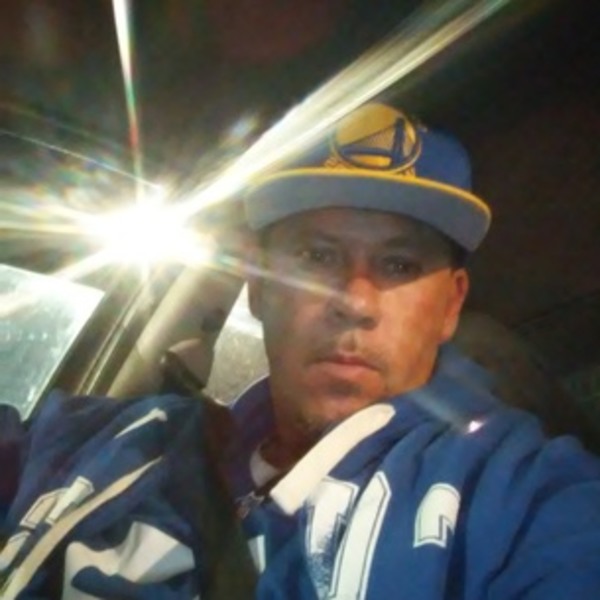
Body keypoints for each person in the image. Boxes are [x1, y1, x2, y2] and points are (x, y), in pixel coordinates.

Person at [1, 102, 600, 599]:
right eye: (317, 256)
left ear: (451, 305)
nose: (355, 302)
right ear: (258, 288)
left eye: (399, 264)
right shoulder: (99, 440)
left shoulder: (527, 499)